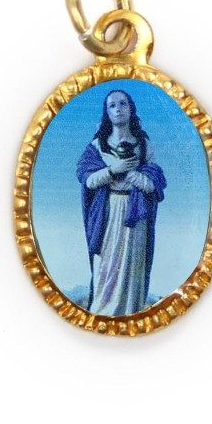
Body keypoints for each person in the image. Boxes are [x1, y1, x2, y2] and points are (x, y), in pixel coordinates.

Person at [76, 90, 167, 316]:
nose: (118, 109)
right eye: (112, 105)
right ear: (107, 113)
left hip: (136, 213)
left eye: (123, 104)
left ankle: (130, 312)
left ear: (131, 108)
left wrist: (131, 174)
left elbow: (153, 184)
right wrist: (113, 170)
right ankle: (103, 312)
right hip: (108, 210)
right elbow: (87, 180)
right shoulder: (98, 145)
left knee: (133, 265)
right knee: (107, 265)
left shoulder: (143, 144)